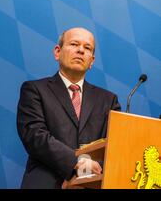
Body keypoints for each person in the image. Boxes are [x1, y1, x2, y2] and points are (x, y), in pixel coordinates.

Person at [16, 27, 121, 189]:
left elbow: (115, 146)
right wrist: (74, 165)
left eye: (87, 48)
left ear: (92, 61)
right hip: (46, 182)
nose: (80, 50)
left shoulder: (108, 100)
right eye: (74, 44)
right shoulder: (35, 90)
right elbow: (34, 135)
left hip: (93, 184)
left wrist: (85, 175)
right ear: (57, 52)